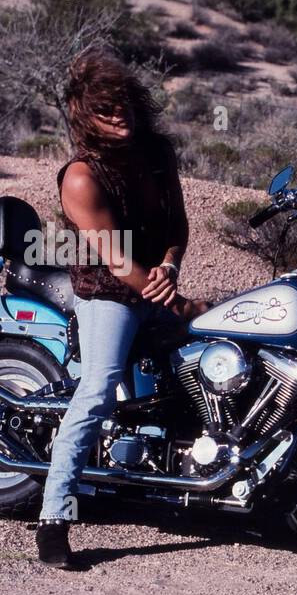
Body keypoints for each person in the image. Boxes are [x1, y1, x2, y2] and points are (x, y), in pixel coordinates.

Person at [35, 48, 200, 568]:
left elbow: (177, 228)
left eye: (124, 103)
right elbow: (116, 259)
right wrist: (173, 297)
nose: (119, 115)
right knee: (99, 387)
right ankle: (54, 517)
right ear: (86, 117)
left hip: (156, 281)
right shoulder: (82, 177)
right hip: (108, 290)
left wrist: (171, 268)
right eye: (105, 109)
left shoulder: (158, 153)